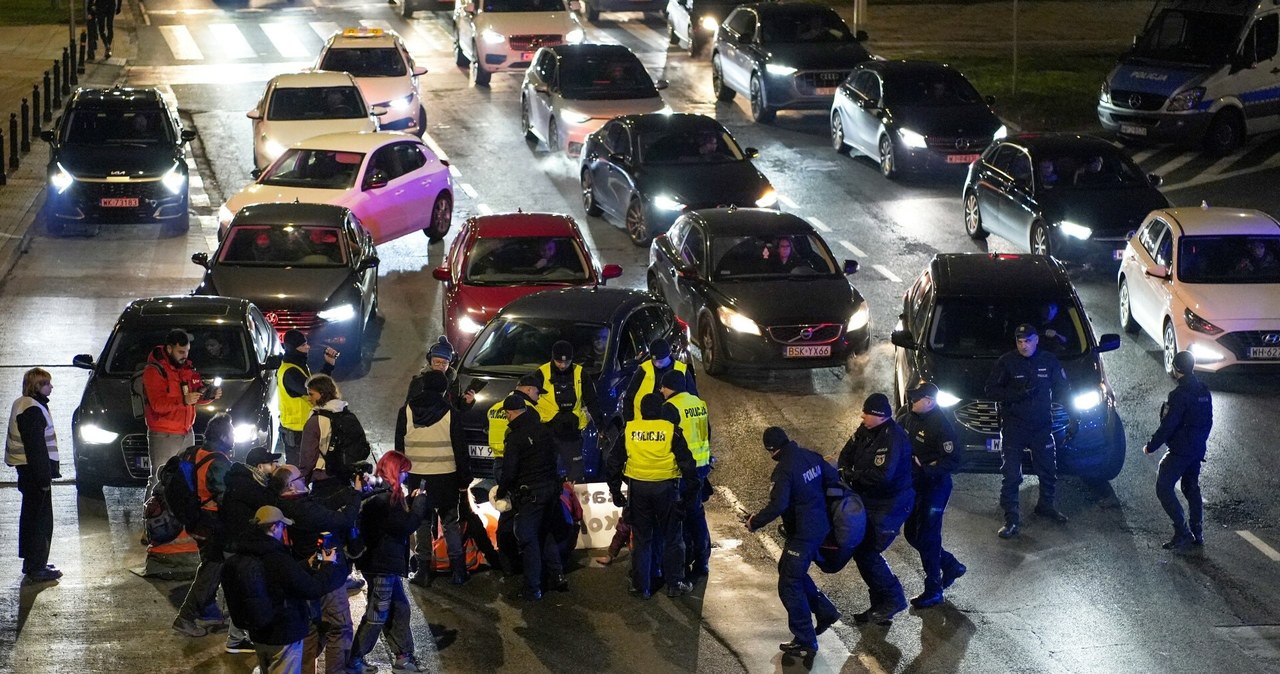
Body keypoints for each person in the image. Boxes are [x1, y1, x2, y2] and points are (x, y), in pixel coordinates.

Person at [746, 427, 841, 659]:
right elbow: (833, 479)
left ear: (772, 450)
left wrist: (754, 522)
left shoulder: (783, 470)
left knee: (788, 583)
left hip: (803, 535)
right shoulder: (810, 456)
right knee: (787, 570)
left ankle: (805, 640)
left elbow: (778, 505)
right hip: (820, 528)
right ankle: (824, 611)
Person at [228, 505, 346, 674]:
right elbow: (312, 589)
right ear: (274, 526)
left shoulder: (246, 553)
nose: (283, 531)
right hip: (283, 635)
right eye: (282, 526)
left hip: (259, 633)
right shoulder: (276, 557)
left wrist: (306, 564)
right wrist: (328, 565)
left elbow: (277, 577)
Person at [985, 324, 1074, 539]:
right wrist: (1015, 394)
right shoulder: (1007, 362)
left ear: (1036, 340)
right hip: (1014, 427)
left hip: (1041, 426)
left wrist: (1073, 417)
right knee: (1012, 474)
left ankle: (1046, 506)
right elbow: (990, 390)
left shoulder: (1048, 361)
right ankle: (1011, 519)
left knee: (1048, 469)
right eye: (1019, 341)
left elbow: (1063, 390)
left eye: (1027, 340)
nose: (1023, 345)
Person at [272, 463, 363, 674]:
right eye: (298, 479)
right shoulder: (302, 509)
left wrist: (349, 492)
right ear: (290, 488)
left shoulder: (286, 504)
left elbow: (324, 504)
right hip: (327, 577)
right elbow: (343, 519)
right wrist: (357, 495)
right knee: (339, 628)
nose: (303, 478)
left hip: (305, 574)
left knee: (312, 629)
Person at [606, 392, 699, 600]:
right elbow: (688, 464)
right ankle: (675, 584)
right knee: (672, 537)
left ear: (642, 410)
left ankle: (641, 586)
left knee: (642, 539)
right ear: (660, 409)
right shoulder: (671, 431)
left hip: (638, 489)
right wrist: (690, 493)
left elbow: (613, 462)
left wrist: (615, 491)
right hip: (666, 489)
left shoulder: (630, 430)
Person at [838, 393, 914, 625]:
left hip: (891, 505)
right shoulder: (865, 430)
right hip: (870, 501)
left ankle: (893, 599)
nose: (862, 416)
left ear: (880, 416)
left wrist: (853, 476)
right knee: (862, 550)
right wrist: (844, 471)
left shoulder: (893, 438)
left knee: (867, 551)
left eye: (867, 413)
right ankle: (881, 607)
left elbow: (882, 476)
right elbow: (845, 455)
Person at [351, 451, 430, 674]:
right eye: (404, 471)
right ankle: (354, 659)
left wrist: (411, 501)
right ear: (396, 471)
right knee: (377, 614)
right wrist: (420, 502)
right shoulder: (386, 498)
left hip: (382, 563)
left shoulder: (381, 493)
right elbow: (405, 525)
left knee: (401, 608)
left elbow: (395, 522)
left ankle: (403, 657)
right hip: (382, 565)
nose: (406, 476)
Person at [396, 369, 472, 588]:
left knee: (421, 522)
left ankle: (423, 571)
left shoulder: (406, 412)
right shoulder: (450, 413)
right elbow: (460, 448)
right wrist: (463, 479)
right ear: (444, 389)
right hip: (446, 477)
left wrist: (403, 476)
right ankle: (459, 571)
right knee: (450, 523)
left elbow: (399, 447)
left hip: (417, 477)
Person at [896, 383, 965, 609]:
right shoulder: (907, 418)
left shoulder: (941, 425)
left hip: (935, 488)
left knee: (928, 535)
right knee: (912, 534)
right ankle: (949, 564)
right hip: (915, 486)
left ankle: (933, 589)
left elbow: (953, 461)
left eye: (917, 398)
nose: (911, 401)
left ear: (930, 401)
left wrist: (926, 468)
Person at [172, 413, 234, 638]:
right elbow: (225, 496)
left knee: (210, 565)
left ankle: (208, 610)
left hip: (196, 520)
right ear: (224, 435)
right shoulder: (218, 461)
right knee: (212, 569)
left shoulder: (195, 451)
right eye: (232, 432)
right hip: (212, 523)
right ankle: (185, 617)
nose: (234, 436)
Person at [498, 394, 566, 600]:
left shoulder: (515, 437)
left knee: (528, 538)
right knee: (546, 533)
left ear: (510, 413)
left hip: (531, 494)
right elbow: (557, 458)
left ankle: (533, 587)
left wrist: (501, 491)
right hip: (551, 490)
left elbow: (510, 471)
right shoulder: (544, 430)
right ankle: (557, 576)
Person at [1143, 351, 1213, 550]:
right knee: (1191, 488)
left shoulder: (1179, 395)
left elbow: (1168, 425)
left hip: (1181, 451)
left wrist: (1151, 446)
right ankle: (1197, 532)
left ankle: (1182, 532)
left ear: (1177, 369)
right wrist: (1199, 444)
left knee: (1163, 487)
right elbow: (1209, 421)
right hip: (1197, 450)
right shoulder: (1204, 391)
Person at [218, 445, 283, 654]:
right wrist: (276, 483)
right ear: (259, 466)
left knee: (242, 590)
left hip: (236, 545)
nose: (274, 467)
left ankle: (236, 637)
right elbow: (269, 504)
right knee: (246, 591)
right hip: (238, 546)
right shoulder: (247, 486)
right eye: (271, 464)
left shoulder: (244, 481)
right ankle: (236, 639)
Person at [142, 328, 222, 495]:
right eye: (180, 351)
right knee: (159, 479)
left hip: (186, 432)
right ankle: (152, 517)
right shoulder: (154, 371)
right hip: (164, 434)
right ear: (169, 349)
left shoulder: (186, 368)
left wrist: (209, 395)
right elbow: (157, 405)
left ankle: (179, 518)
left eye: (187, 351)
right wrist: (183, 400)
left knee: (186, 478)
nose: (184, 355)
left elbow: (195, 394)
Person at [6, 367, 62, 582]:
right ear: (37, 386)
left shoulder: (23, 403)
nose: (51, 387)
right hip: (35, 473)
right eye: (47, 383)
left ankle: (33, 563)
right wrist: (43, 479)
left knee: (31, 517)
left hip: (27, 471)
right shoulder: (32, 410)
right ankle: (37, 566)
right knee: (40, 520)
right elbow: (37, 449)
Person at [486, 374, 542, 576]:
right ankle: (519, 557)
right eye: (537, 392)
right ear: (526, 391)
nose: (538, 397)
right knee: (521, 512)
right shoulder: (530, 412)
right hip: (517, 465)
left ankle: (506, 559)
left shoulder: (494, 409)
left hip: (498, 463)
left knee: (506, 511)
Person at [659, 369, 713, 580]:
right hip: (701, 467)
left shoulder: (670, 407)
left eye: (663, 387)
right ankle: (703, 562)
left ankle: (682, 565)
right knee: (697, 515)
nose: (661, 390)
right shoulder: (699, 403)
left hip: (682, 470)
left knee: (680, 518)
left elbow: (667, 441)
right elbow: (707, 432)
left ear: (669, 387)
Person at [534, 340, 598, 483]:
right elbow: (530, 400)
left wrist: (601, 426)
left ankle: (572, 501)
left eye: (567, 362)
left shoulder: (580, 373)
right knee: (545, 469)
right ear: (552, 357)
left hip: (572, 432)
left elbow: (592, 401)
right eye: (559, 362)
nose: (563, 365)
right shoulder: (541, 374)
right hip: (548, 430)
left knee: (576, 472)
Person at [277, 329, 338, 467]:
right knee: (299, 474)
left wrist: (329, 365)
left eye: (306, 344)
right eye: (303, 345)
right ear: (294, 349)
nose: (307, 347)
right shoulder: (291, 372)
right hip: (296, 432)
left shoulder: (298, 366)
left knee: (308, 468)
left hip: (302, 429)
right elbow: (316, 389)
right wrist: (328, 366)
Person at [298, 374, 354, 499]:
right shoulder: (345, 413)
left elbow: (308, 456)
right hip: (346, 475)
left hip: (323, 476)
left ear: (322, 394)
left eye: (311, 394)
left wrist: (303, 480)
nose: (308, 398)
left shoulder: (315, 421)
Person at [623, 338, 696, 422]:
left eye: (660, 361)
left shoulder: (682, 370)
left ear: (668, 355)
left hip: (673, 426)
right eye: (654, 361)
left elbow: (693, 399)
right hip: (644, 427)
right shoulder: (644, 369)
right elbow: (629, 398)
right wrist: (628, 423)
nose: (657, 364)